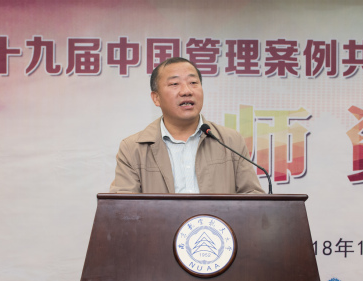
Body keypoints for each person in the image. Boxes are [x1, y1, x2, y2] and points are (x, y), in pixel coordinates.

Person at [109, 57, 265, 194]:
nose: (186, 91)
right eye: (174, 84)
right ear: (156, 98)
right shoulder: (133, 149)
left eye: (193, 83)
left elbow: (252, 196)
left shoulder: (230, 141)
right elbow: (122, 207)